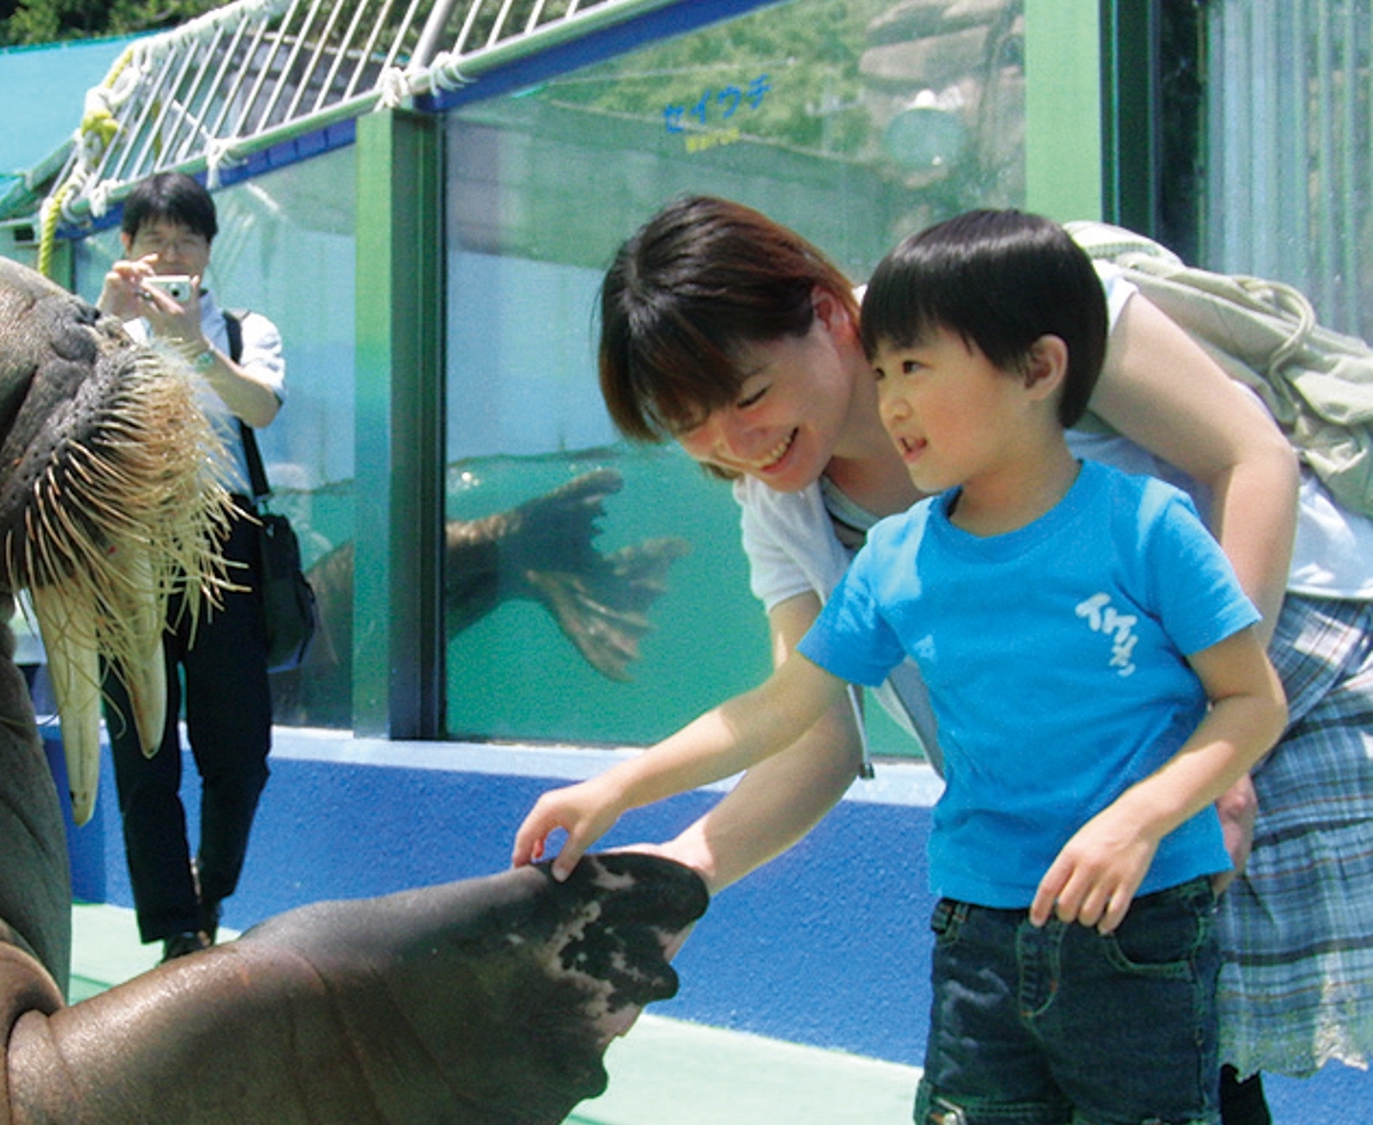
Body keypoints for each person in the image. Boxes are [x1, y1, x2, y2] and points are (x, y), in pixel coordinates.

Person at [580, 194, 1373, 1122]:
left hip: (1288, 656)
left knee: (1201, 1042)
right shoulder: (785, 502)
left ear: (831, 314)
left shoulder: (1003, 300)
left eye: (749, 397)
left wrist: (1208, 752)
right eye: (690, 426)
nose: (734, 445)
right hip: (1066, 816)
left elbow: (1250, 458)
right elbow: (811, 729)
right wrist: (684, 863)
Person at [94, 171, 286, 962]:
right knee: (143, 748)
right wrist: (107, 321)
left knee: (238, 747)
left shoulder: (244, 330)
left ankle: (211, 890)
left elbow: (264, 407)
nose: (172, 255)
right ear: (127, 249)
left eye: (188, 241)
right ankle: (175, 922)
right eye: (155, 241)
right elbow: (66, 409)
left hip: (224, 542)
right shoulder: (99, 330)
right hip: (125, 548)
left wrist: (192, 350)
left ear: (209, 252)